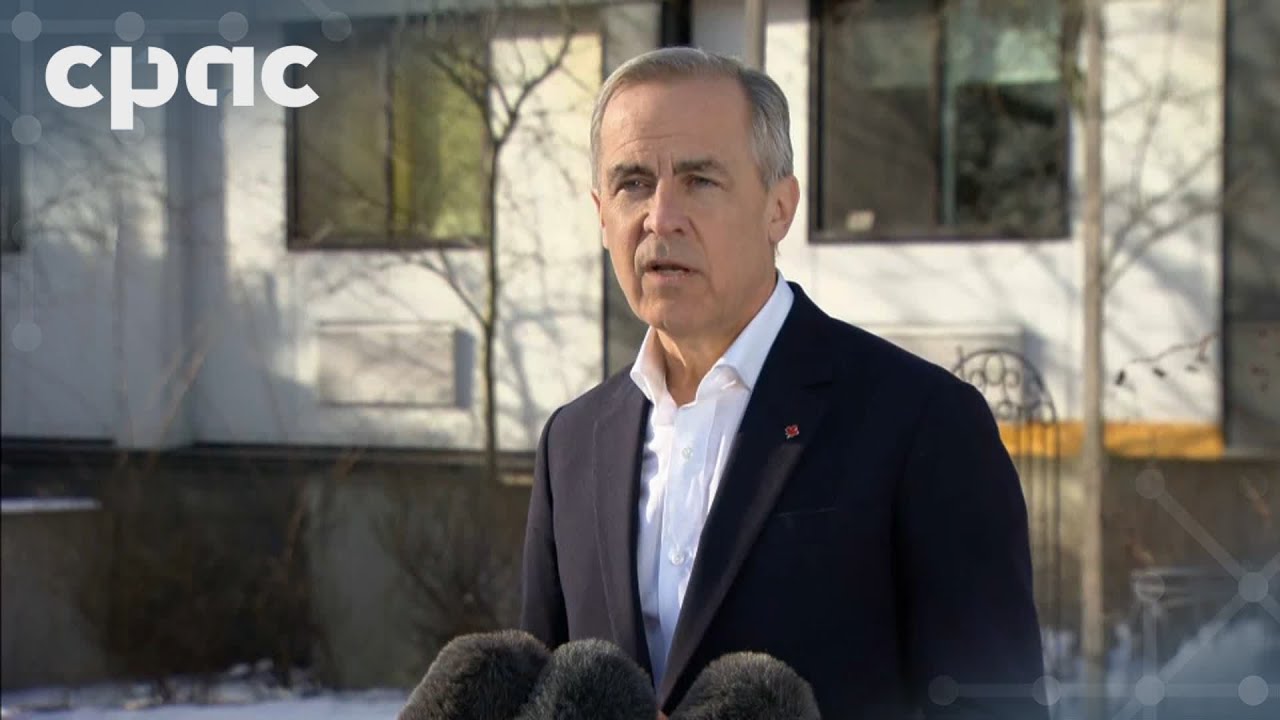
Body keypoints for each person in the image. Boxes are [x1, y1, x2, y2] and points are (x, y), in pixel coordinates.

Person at [520, 47, 1046, 719]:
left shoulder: (923, 425)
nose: (661, 216)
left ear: (779, 208)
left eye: (699, 180)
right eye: (633, 184)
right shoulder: (572, 444)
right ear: (601, 214)